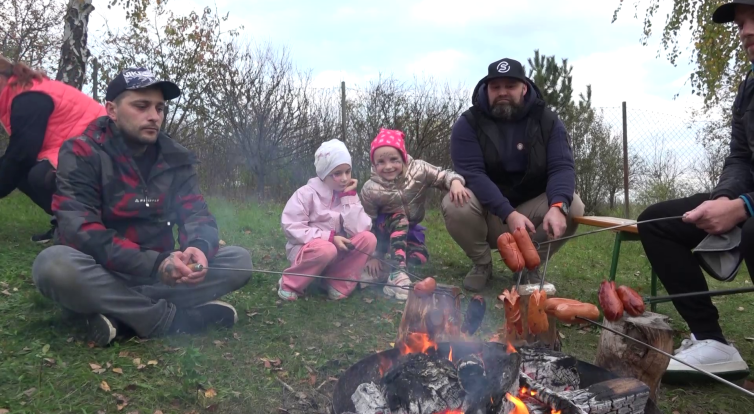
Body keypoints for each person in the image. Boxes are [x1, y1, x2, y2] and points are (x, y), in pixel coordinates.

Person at [30, 67, 252, 347]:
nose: (154, 116)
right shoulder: (82, 153)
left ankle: (121, 316)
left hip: (163, 273)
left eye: (160, 108)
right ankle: (174, 320)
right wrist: (156, 263)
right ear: (111, 110)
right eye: (141, 106)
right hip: (103, 271)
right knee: (52, 265)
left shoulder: (176, 158)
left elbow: (197, 214)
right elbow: (80, 231)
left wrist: (198, 247)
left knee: (239, 260)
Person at [635, 0, 754, 378]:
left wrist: (745, 207)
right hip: (747, 199)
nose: (746, 31)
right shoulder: (749, 85)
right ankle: (712, 340)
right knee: (657, 222)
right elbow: (739, 157)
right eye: (741, 23)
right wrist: (724, 199)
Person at [441, 57, 585, 292]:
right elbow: (473, 174)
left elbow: (562, 167)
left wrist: (558, 206)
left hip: (533, 213)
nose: (502, 92)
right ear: (487, 89)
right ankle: (482, 264)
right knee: (454, 202)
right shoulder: (468, 124)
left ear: (524, 88)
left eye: (510, 86)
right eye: (496, 87)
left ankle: (531, 266)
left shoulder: (548, 121)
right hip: (489, 213)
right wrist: (509, 213)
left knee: (573, 205)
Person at [0, 56, 106, 242]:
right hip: (82, 148)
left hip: (105, 153)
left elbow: (21, 156)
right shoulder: (21, 91)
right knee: (23, 174)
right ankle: (67, 224)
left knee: (38, 175)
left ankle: (92, 225)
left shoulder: (28, 97)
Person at [360, 128, 469, 300]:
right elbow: (367, 223)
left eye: (394, 159)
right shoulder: (370, 188)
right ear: (374, 164)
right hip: (384, 229)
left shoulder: (419, 169)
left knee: (419, 258)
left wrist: (455, 182)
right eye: (380, 162)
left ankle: (386, 271)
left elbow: (443, 175)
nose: (388, 166)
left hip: (408, 230)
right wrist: (375, 255)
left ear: (403, 157)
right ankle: (397, 273)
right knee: (399, 218)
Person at [278, 138, 377, 301]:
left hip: (337, 253)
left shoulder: (348, 195)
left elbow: (360, 230)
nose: (344, 178)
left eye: (347, 171)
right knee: (326, 249)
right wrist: (329, 238)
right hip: (309, 252)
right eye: (337, 173)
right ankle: (290, 283)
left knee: (369, 238)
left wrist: (349, 199)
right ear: (323, 173)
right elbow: (291, 227)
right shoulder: (305, 194)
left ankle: (336, 281)